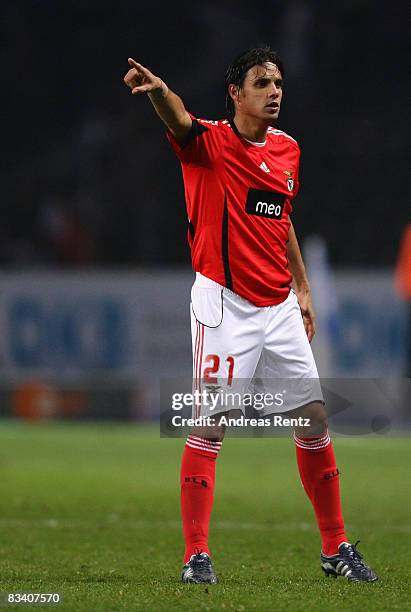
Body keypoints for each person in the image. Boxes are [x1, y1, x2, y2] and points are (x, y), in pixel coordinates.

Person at [123, 45, 377, 584]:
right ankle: (197, 556)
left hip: (280, 305)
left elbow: (280, 220)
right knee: (209, 427)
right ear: (236, 94)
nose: (275, 91)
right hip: (224, 306)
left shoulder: (288, 150)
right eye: (263, 83)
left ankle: (336, 548)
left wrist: (303, 290)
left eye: (279, 82)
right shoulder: (209, 144)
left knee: (313, 421)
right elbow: (180, 119)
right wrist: (160, 93)